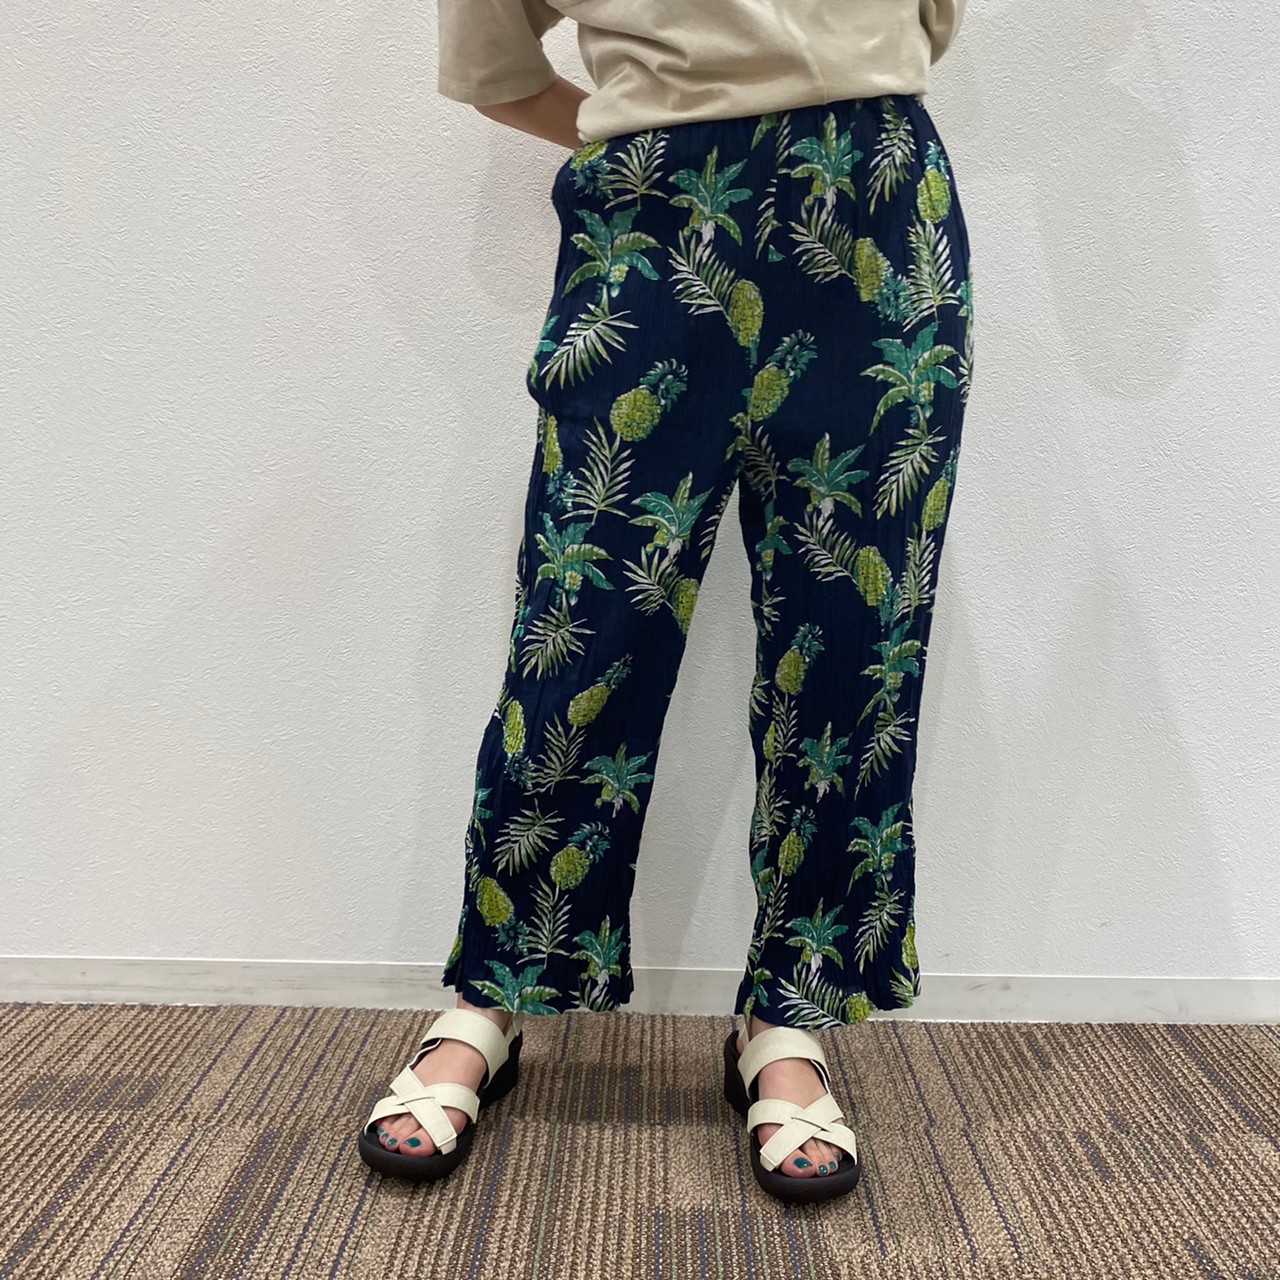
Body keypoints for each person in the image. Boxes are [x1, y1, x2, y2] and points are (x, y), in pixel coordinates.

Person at [358, 0, 972, 1204]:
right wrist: (666, 129)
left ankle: (787, 1015)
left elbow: (925, 24)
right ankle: (495, 987)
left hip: (880, 209)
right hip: (649, 221)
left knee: (852, 644)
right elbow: (495, 68)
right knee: (581, 626)